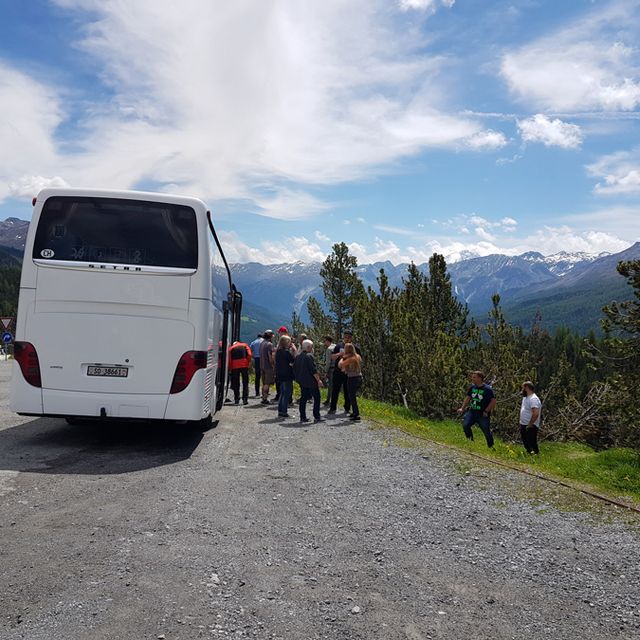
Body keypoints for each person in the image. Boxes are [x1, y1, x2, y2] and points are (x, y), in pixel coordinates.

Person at [457, 371, 496, 448]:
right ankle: (470, 441)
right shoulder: (472, 387)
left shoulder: (487, 389)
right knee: (466, 425)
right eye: (472, 377)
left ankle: (491, 446)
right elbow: (468, 398)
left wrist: (486, 411)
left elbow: (493, 401)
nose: (472, 379)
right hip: (472, 411)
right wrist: (462, 408)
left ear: (480, 378)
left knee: (486, 430)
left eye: (474, 377)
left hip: (482, 414)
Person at [328, 331, 361, 415]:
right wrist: (340, 354)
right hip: (338, 372)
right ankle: (333, 407)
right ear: (343, 337)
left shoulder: (355, 348)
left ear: (351, 338)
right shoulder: (338, 346)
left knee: (348, 391)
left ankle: (347, 408)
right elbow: (332, 357)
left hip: (349, 373)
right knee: (335, 390)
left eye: (349, 337)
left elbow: (359, 359)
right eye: (345, 337)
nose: (347, 339)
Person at [293, 339, 323, 423]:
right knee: (317, 398)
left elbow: (294, 368)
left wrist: (298, 378)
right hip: (311, 381)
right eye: (312, 347)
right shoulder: (309, 356)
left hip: (302, 381)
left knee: (303, 398)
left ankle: (303, 417)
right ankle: (317, 416)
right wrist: (319, 380)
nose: (312, 348)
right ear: (309, 347)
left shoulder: (298, 356)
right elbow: (313, 370)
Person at [338, 343, 362, 421]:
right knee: (351, 396)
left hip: (353, 378)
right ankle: (354, 412)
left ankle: (356, 414)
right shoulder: (357, 356)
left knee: (352, 396)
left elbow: (340, 365)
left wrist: (342, 357)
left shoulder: (351, 358)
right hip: (358, 377)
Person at [275, 335, 295, 418]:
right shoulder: (286, 352)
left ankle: (280, 410)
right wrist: (294, 350)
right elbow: (293, 360)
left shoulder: (278, 351)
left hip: (280, 374)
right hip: (287, 374)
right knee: (286, 393)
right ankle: (284, 412)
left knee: (282, 393)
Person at [520, 381, 542, 454]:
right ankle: (529, 453)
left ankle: (535, 455)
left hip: (531, 425)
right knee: (526, 441)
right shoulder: (526, 397)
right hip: (523, 424)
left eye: (523, 388)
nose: (522, 389)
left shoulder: (533, 399)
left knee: (532, 442)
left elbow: (535, 413)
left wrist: (530, 424)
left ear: (526, 388)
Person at [228, 340, 252, 405]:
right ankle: (245, 399)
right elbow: (249, 354)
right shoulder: (245, 345)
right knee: (245, 382)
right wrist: (248, 361)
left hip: (234, 366)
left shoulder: (231, 348)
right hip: (244, 364)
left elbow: (229, 359)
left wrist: (230, 368)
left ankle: (236, 399)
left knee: (236, 383)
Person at [259, 330, 275, 404]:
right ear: (270, 336)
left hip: (262, 365)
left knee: (264, 382)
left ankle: (263, 397)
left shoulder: (262, 343)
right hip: (268, 366)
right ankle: (264, 398)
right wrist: (273, 365)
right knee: (267, 383)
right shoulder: (269, 344)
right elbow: (270, 357)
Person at [322, 335, 336, 405]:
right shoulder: (336, 346)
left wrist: (325, 371)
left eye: (324, 341)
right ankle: (334, 400)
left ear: (327, 341)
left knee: (330, 385)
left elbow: (328, 362)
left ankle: (328, 400)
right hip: (338, 368)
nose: (324, 343)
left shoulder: (329, 349)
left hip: (331, 369)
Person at [249, 333, 264, 397]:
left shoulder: (253, 342)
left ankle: (257, 392)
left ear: (257, 337)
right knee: (264, 375)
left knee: (257, 376)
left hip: (256, 359)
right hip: (264, 359)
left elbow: (250, 351)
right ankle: (265, 391)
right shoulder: (264, 342)